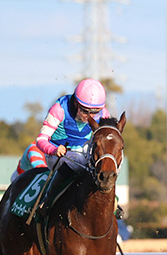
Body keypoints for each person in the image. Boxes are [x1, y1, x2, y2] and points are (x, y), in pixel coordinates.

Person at [18, 79, 122, 218]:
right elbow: (41, 140)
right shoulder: (59, 109)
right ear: (75, 103)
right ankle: (47, 201)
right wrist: (54, 150)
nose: (90, 116)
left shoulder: (103, 113)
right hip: (57, 153)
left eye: (95, 112)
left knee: (108, 160)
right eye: (85, 111)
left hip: (84, 151)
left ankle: (112, 201)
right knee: (75, 161)